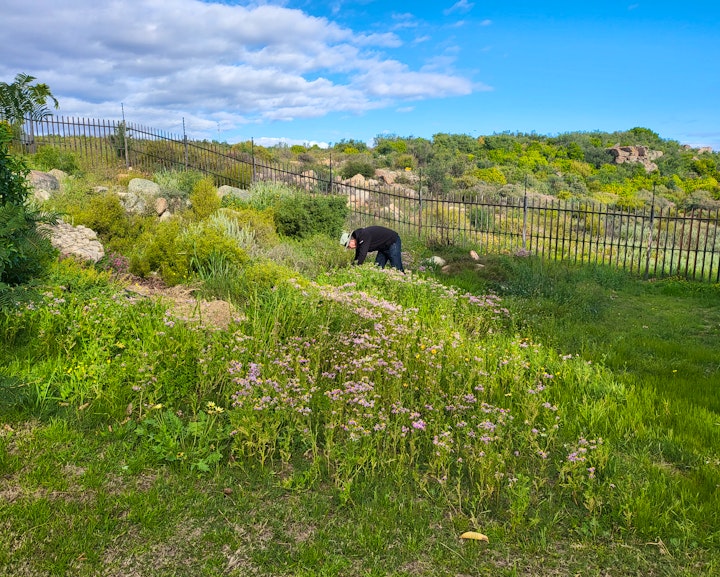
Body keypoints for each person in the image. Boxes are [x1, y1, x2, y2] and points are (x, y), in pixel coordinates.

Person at [340, 226, 404, 272]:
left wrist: (356, 269)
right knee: (377, 269)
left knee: (397, 269)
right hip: (383, 246)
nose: (350, 248)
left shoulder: (363, 235)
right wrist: (353, 266)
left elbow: (362, 254)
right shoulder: (359, 239)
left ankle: (404, 281)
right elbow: (357, 256)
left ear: (351, 240)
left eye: (348, 246)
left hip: (392, 241)